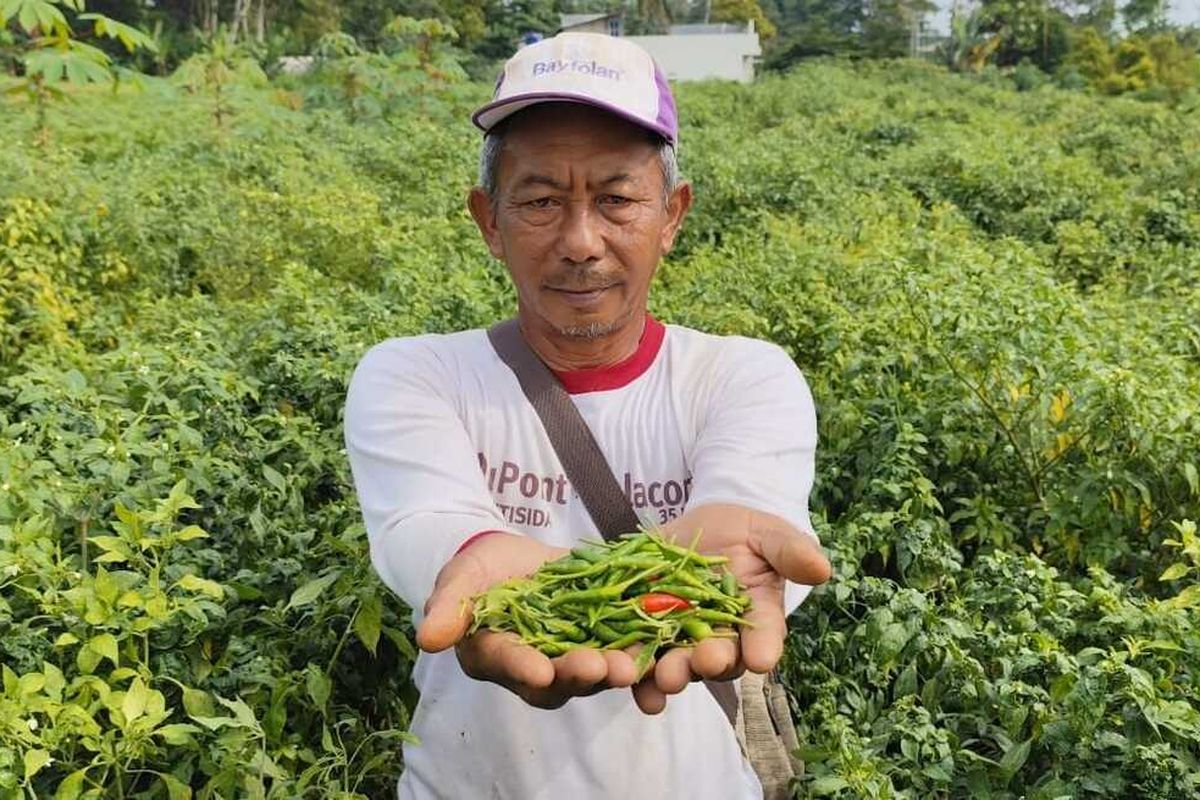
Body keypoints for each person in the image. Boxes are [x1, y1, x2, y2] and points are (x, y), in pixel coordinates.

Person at [345, 31, 832, 800]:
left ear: (671, 215)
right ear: (488, 221)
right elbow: (425, 525)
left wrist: (732, 551)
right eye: (540, 200)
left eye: (616, 199)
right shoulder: (416, 375)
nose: (580, 242)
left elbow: (751, 506)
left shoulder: (742, 377)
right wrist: (472, 555)